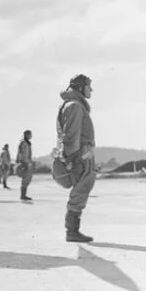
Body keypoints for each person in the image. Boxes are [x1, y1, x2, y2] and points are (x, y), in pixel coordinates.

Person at [56, 74, 97, 242]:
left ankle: (73, 230)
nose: (91, 89)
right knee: (80, 191)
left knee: (82, 190)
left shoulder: (74, 105)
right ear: (81, 87)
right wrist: (72, 160)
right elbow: (71, 136)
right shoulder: (75, 106)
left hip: (81, 154)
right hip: (80, 157)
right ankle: (72, 231)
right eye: (89, 86)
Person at [16, 130, 34, 200]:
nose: (31, 136)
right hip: (24, 162)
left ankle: (24, 195)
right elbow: (20, 153)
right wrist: (22, 163)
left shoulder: (26, 143)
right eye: (30, 134)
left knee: (27, 179)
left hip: (27, 162)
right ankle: (23, 195)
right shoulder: (23, 143)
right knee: (25, 179)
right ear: (27, 135)